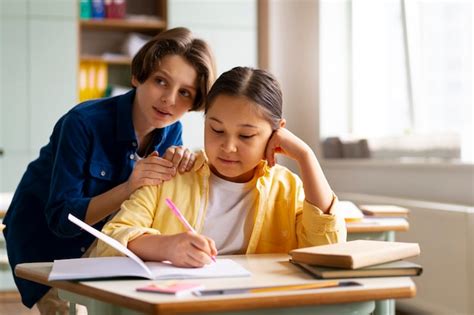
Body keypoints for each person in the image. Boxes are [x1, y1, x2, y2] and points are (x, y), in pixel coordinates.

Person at [3, 27, 216, 310]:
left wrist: (180, 171)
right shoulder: (82, 123)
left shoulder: (171, 130)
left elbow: (152, 205)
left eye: (185, 92)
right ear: (138, 76)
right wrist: (129, 187)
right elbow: (61, 221)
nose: (170, 99)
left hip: (107, 245)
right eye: (161, 81)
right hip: (49, 244)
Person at [95, 66, 347, 267]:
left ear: (276, 133)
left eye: (246, 136)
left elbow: (328, 248)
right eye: (216, 129)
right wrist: (167, 247)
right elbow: (109, 242)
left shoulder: (287, 188)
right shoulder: (173, 173)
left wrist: (306, 156)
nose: (228, 147)